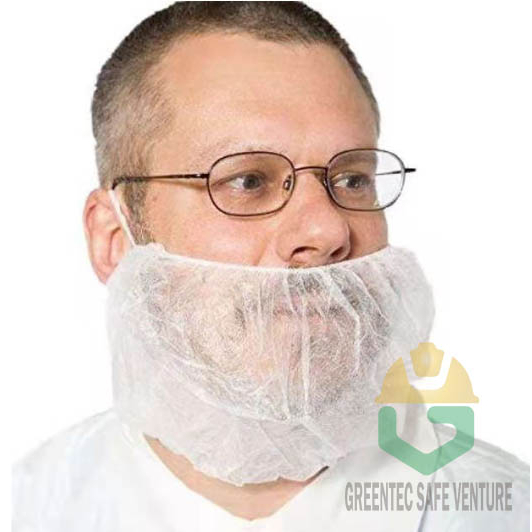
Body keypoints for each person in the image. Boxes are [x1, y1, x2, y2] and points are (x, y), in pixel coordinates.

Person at [12, 2, 529, 531]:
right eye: (247, 181)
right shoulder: (28, 508)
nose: (327, 231)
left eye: (352, 179)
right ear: (115, 239)